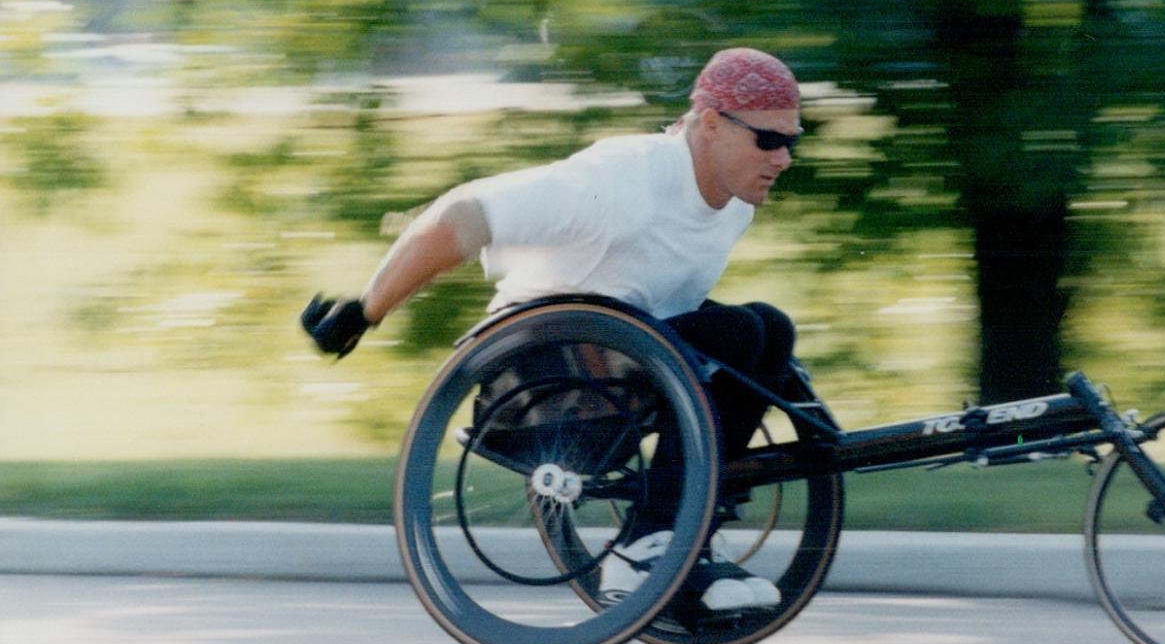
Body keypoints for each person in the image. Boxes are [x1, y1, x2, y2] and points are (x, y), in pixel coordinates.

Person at [300, 47, 805, 615]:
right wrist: (367, 309)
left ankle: (681, 543)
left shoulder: (733, 206)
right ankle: (648, 546)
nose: (783, 158)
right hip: (541, 378)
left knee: (768, 331)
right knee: (739, 333)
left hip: (632, 359)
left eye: (793, 141)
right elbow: (465, 214)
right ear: (710, 124)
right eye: (769, 140)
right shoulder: (623, 181)